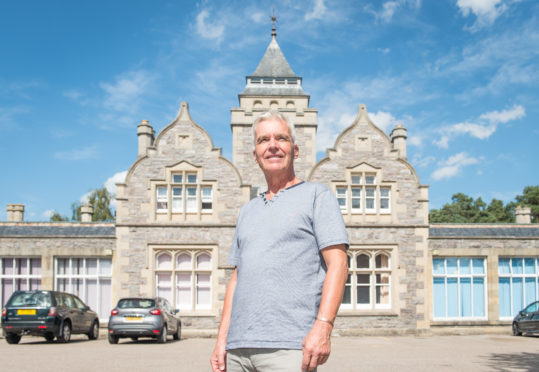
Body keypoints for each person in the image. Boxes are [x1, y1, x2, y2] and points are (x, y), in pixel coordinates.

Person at [210, 110, 349, 372]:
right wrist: (221, 341)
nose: (272, 145)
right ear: (255, 155)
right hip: (237, 350)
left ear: (295, 150)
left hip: (289, 347)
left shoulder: (317, 195)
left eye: (281, 138)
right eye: (263, 140)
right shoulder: (247, 210)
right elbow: (237, 279)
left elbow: (338, 264)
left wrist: (323, 326)